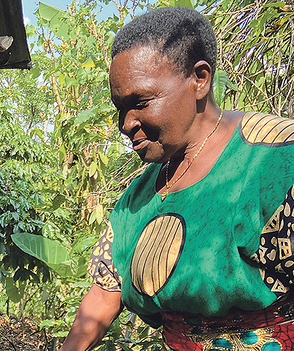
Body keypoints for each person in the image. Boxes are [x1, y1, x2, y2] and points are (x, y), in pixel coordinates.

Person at [60, 6, 294, 351]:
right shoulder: (138, 197)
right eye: (120, 108)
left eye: (140, 101)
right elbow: (104, 294)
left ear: (199, 79)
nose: (126, 123)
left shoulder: (276, 159)